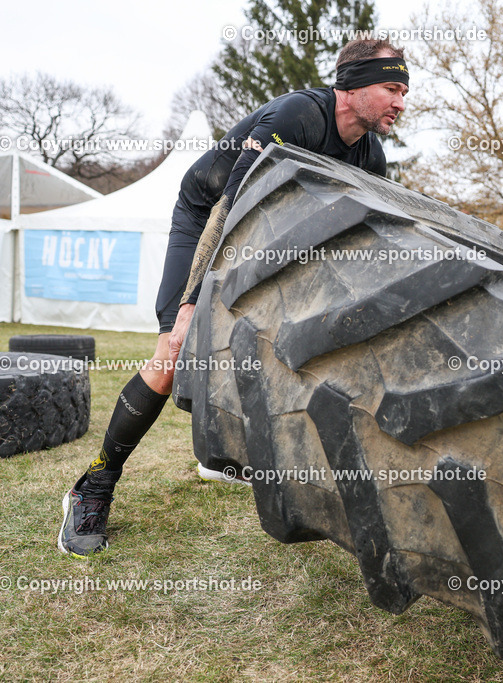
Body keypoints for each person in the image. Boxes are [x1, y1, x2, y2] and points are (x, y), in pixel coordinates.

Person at [58, 38, 410, 558]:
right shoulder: (296, 115)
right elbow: (227, 212)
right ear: (353, 84)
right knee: (173, 355)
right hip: (207, 218)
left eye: (404, 91)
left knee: (282, 344)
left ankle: (221, 455)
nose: (402, 102)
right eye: (392, 88)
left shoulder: (369, 155)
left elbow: (355, 234)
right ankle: (93, 486)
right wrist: (188, 306)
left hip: (268, 236)